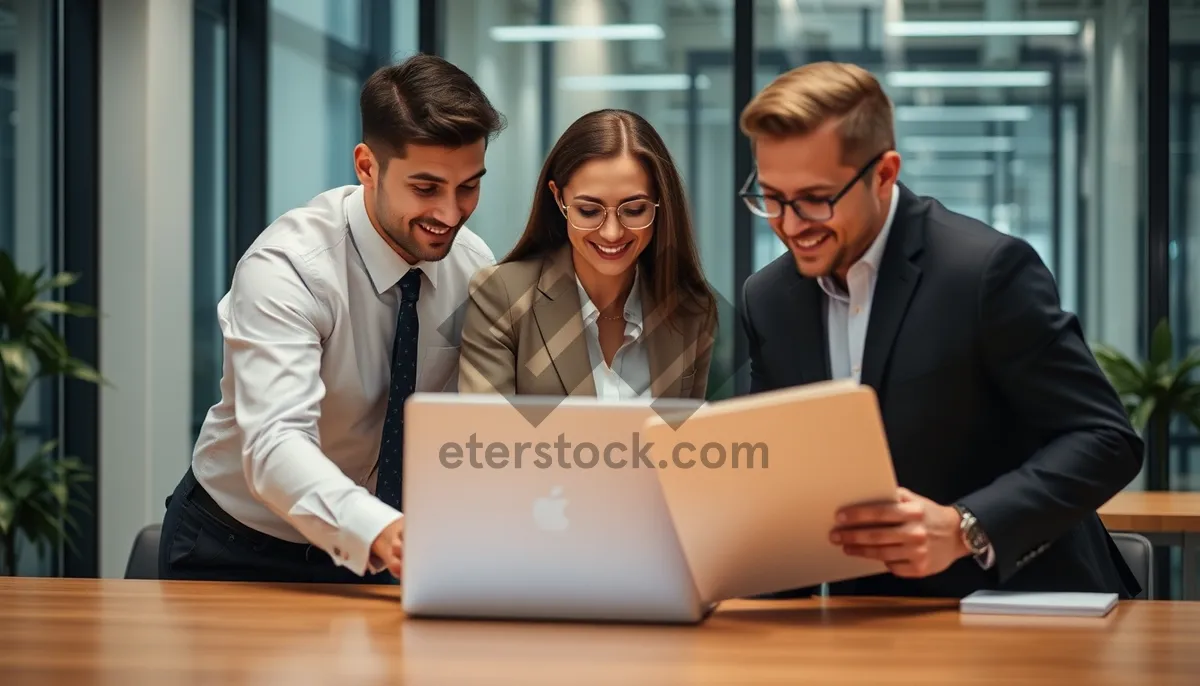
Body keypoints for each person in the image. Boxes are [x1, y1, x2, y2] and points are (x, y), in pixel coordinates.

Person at [737, 62, 1144, 599]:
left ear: (884, 173)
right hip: (865, 622)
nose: (789, 225)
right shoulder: (769, 298)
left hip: (1021, 608)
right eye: (771, 197)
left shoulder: (984, 272)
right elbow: (778, 462)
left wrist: (965, 528)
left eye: (816, 198)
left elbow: (1106, 439)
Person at [158, 54, 506, 583]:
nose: (451, 215)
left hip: (380, 548)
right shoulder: (289, 268)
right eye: (426, 188)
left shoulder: (473, 266)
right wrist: (383, 530)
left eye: (469, 187)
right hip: (235, 546)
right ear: (367, 166)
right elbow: (275, 443)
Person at [457, 109, 717, 401]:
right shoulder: (502, 296)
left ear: (660, 203)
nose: (611, 233)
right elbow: (485, 438)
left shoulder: (691, 309)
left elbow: (688, 442)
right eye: (589, 211)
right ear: (558, 198)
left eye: (634, 210)